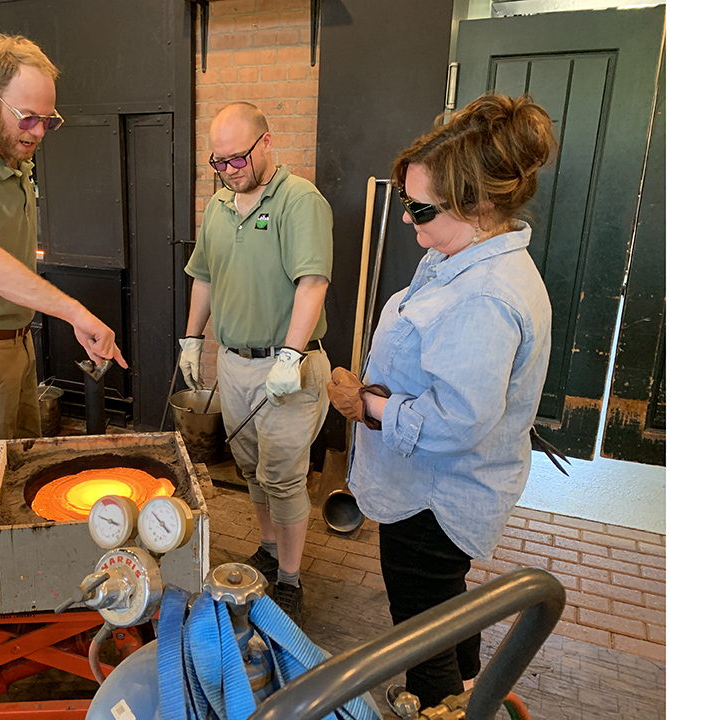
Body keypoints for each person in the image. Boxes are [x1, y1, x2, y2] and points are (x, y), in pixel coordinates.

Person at [326, 93, 556, 709]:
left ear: (478, 204)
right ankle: (472, 698)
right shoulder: (453, 259)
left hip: (433, 502)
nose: (407, 219)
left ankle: (438, 706)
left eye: (419, 207)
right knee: (451, 611)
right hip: (432, 489)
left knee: (421, 632)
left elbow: (456, 420)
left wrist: (365, 407)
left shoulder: (485, 294)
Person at [0, 34, 126, 442]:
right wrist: (74, 313)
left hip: (17, 343)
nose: (39, 131)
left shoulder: (13, 159)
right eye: (27, 117)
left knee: (26, 461)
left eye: (49, 120)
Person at [180, 102, 333, 623]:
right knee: (250, 469)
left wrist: (291, 354)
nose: (229, 171)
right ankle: (268, 548)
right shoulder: (219, 206)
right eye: (218, 163)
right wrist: (191, 339)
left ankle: (289, 580)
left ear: (267, 142)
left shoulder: (299, 201)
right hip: (235, 365)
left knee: (284, 477)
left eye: (237, 159)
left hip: (288, 368)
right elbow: (203, 276)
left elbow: (313, 282)